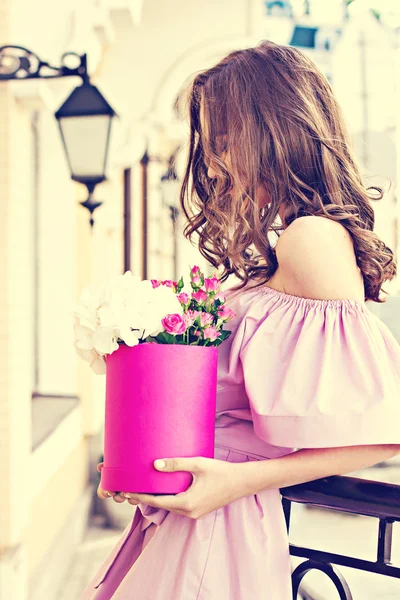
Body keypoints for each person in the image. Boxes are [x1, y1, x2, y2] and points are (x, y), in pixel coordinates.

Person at [81, 40, 400, 600]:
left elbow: (384, 433)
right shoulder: (284, 247)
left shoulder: (312, 239)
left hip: (218, 526)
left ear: (278, 130)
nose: (214, 161)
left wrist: (234, 483)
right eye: (212, 143)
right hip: (192, 517)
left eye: (227, 141)